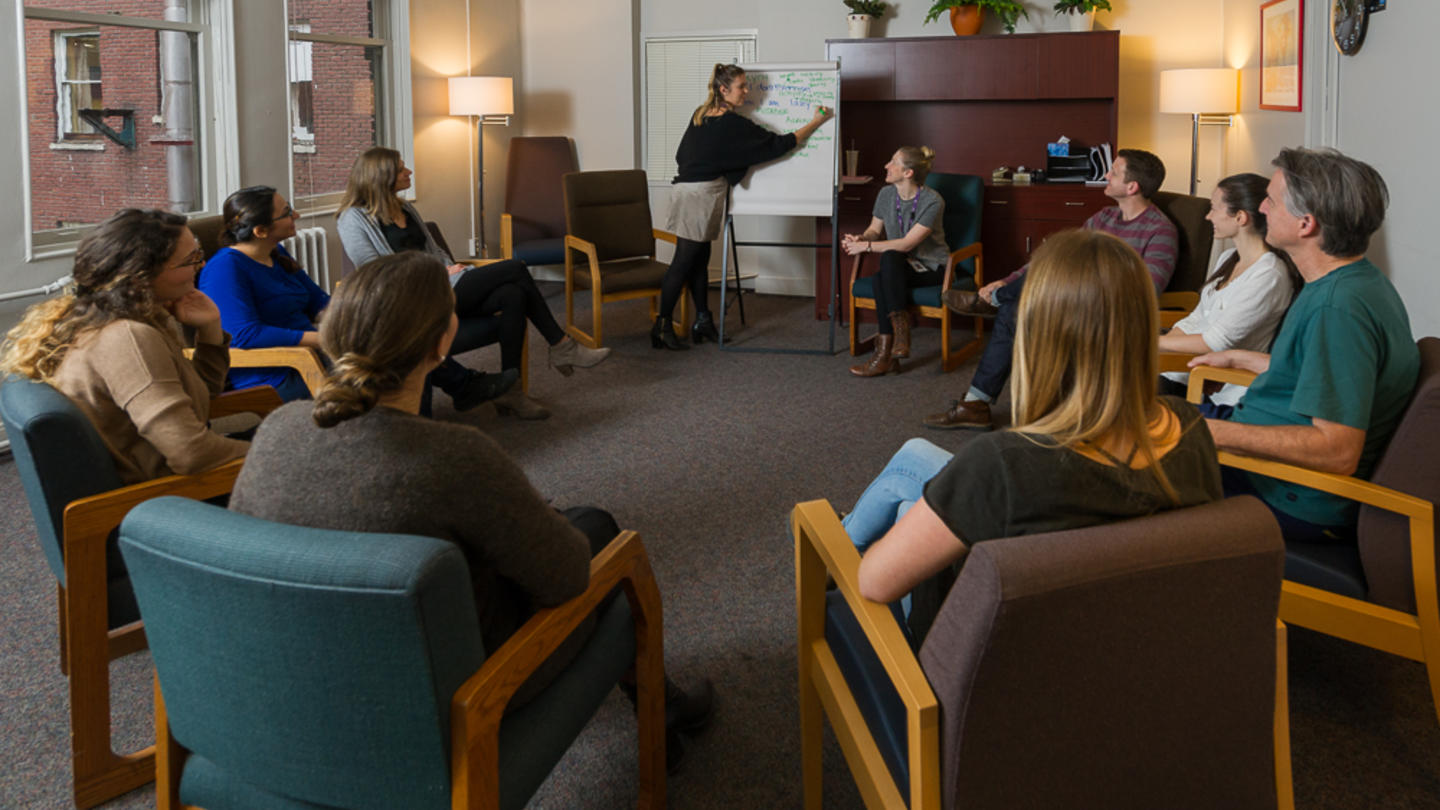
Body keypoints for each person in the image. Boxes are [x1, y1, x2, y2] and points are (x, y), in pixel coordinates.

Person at [229, 252, 712, 769]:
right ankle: (662, 710)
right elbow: (566, 580)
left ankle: (665, 711)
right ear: (442, 345)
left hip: (298, 681)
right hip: (454, 694)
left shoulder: (277, 431)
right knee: (595, 529)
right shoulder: (455, 457)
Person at [843, 230, 1221, 637]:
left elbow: (874, 583)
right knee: (910, 483)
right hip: (1122, 645)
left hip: (988, 678)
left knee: (894, 510)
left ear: (1036, 333)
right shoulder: (1191, 429)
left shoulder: (1002, 463)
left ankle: (844, 538)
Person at [1193, 147, 1418, 544]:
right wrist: (1244, 358)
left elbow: (1337, 450)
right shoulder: (1357, 282)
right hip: (1262, 461)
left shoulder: (1338, 310)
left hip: (1288, 495)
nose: (1260, 208)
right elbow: (1326, 375)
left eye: (1271, 201)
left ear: (1306, 224)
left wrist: (1212, 434)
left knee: (1113, 464)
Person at [336, 146, 608, 420]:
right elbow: (377, 273)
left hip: (443, 287)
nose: (409, 172)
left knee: (513, 294)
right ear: (382, 177)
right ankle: (561, 346)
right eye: (401, 170)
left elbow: (435, 251)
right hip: (411, 302)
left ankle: (512, 392)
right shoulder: (352, 219)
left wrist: (449, 268)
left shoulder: (405, 207)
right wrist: (440, 274)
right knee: (514, 268)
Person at [929, 148, 1178, 430]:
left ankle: (977, 395)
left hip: (1107, 312)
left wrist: (1086, 280)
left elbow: (1145, 290)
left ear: (1132, 187)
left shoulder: (1160, 231)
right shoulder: (1104, 218)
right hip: (1072, 301)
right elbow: (1055, 259)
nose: (1105, 175)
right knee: (1020, 300)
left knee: (1032, 294)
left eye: (1114, 172)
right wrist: (1007, 282)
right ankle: (976, 401)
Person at [0, 209, 248, 484]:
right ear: (140, 277)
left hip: (171, 481)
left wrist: (210, 328)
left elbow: (200, 398)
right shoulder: (128, 338)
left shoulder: (98, 318)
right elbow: (191, 454)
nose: (201, 265)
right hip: (174, 499)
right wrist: (279, 454)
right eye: (191, 259)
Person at [654, 63, 833, 350]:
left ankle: (703, 320)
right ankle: (661, 326)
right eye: (741, 86)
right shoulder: (732, 123)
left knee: (699, 259)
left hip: (687, 193)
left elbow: (681, 154)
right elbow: (779, 144)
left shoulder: (700, 116)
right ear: (723, 89)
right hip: (701, 196)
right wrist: (816, 122)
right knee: (683, 263)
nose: (747, 92)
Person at [1157, 173, 1299, 416]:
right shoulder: (1228, 259)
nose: (1207, 216)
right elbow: (1196, 318)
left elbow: (1216, 342)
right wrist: (1162, 353)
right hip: (1182, 370)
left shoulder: (1268, 274)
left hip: (1217, 385)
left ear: (1240, 217)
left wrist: (1150, 343)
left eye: (1213, 209)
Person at [198, 186, 329, 402]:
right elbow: (245, 334)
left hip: (313, 360)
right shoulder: (225, 268)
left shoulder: (276, 253)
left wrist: (355, 320)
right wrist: (323, 339)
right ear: (260, 231)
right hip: (278, 377)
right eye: (287, 212)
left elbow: (318, 301)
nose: (296, 215)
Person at [842, 146, 949, 377]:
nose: (886, 166)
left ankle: (884, 355)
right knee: (888, 266)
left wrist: (866, 247)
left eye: (893, 162)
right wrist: (862, 237)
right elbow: (874, 230)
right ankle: (897, 340)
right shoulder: (886, 194)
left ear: (908, 172)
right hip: (898, 265)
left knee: (886, 270)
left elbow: (908, 244)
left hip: (932, 267)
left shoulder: (933, 201)